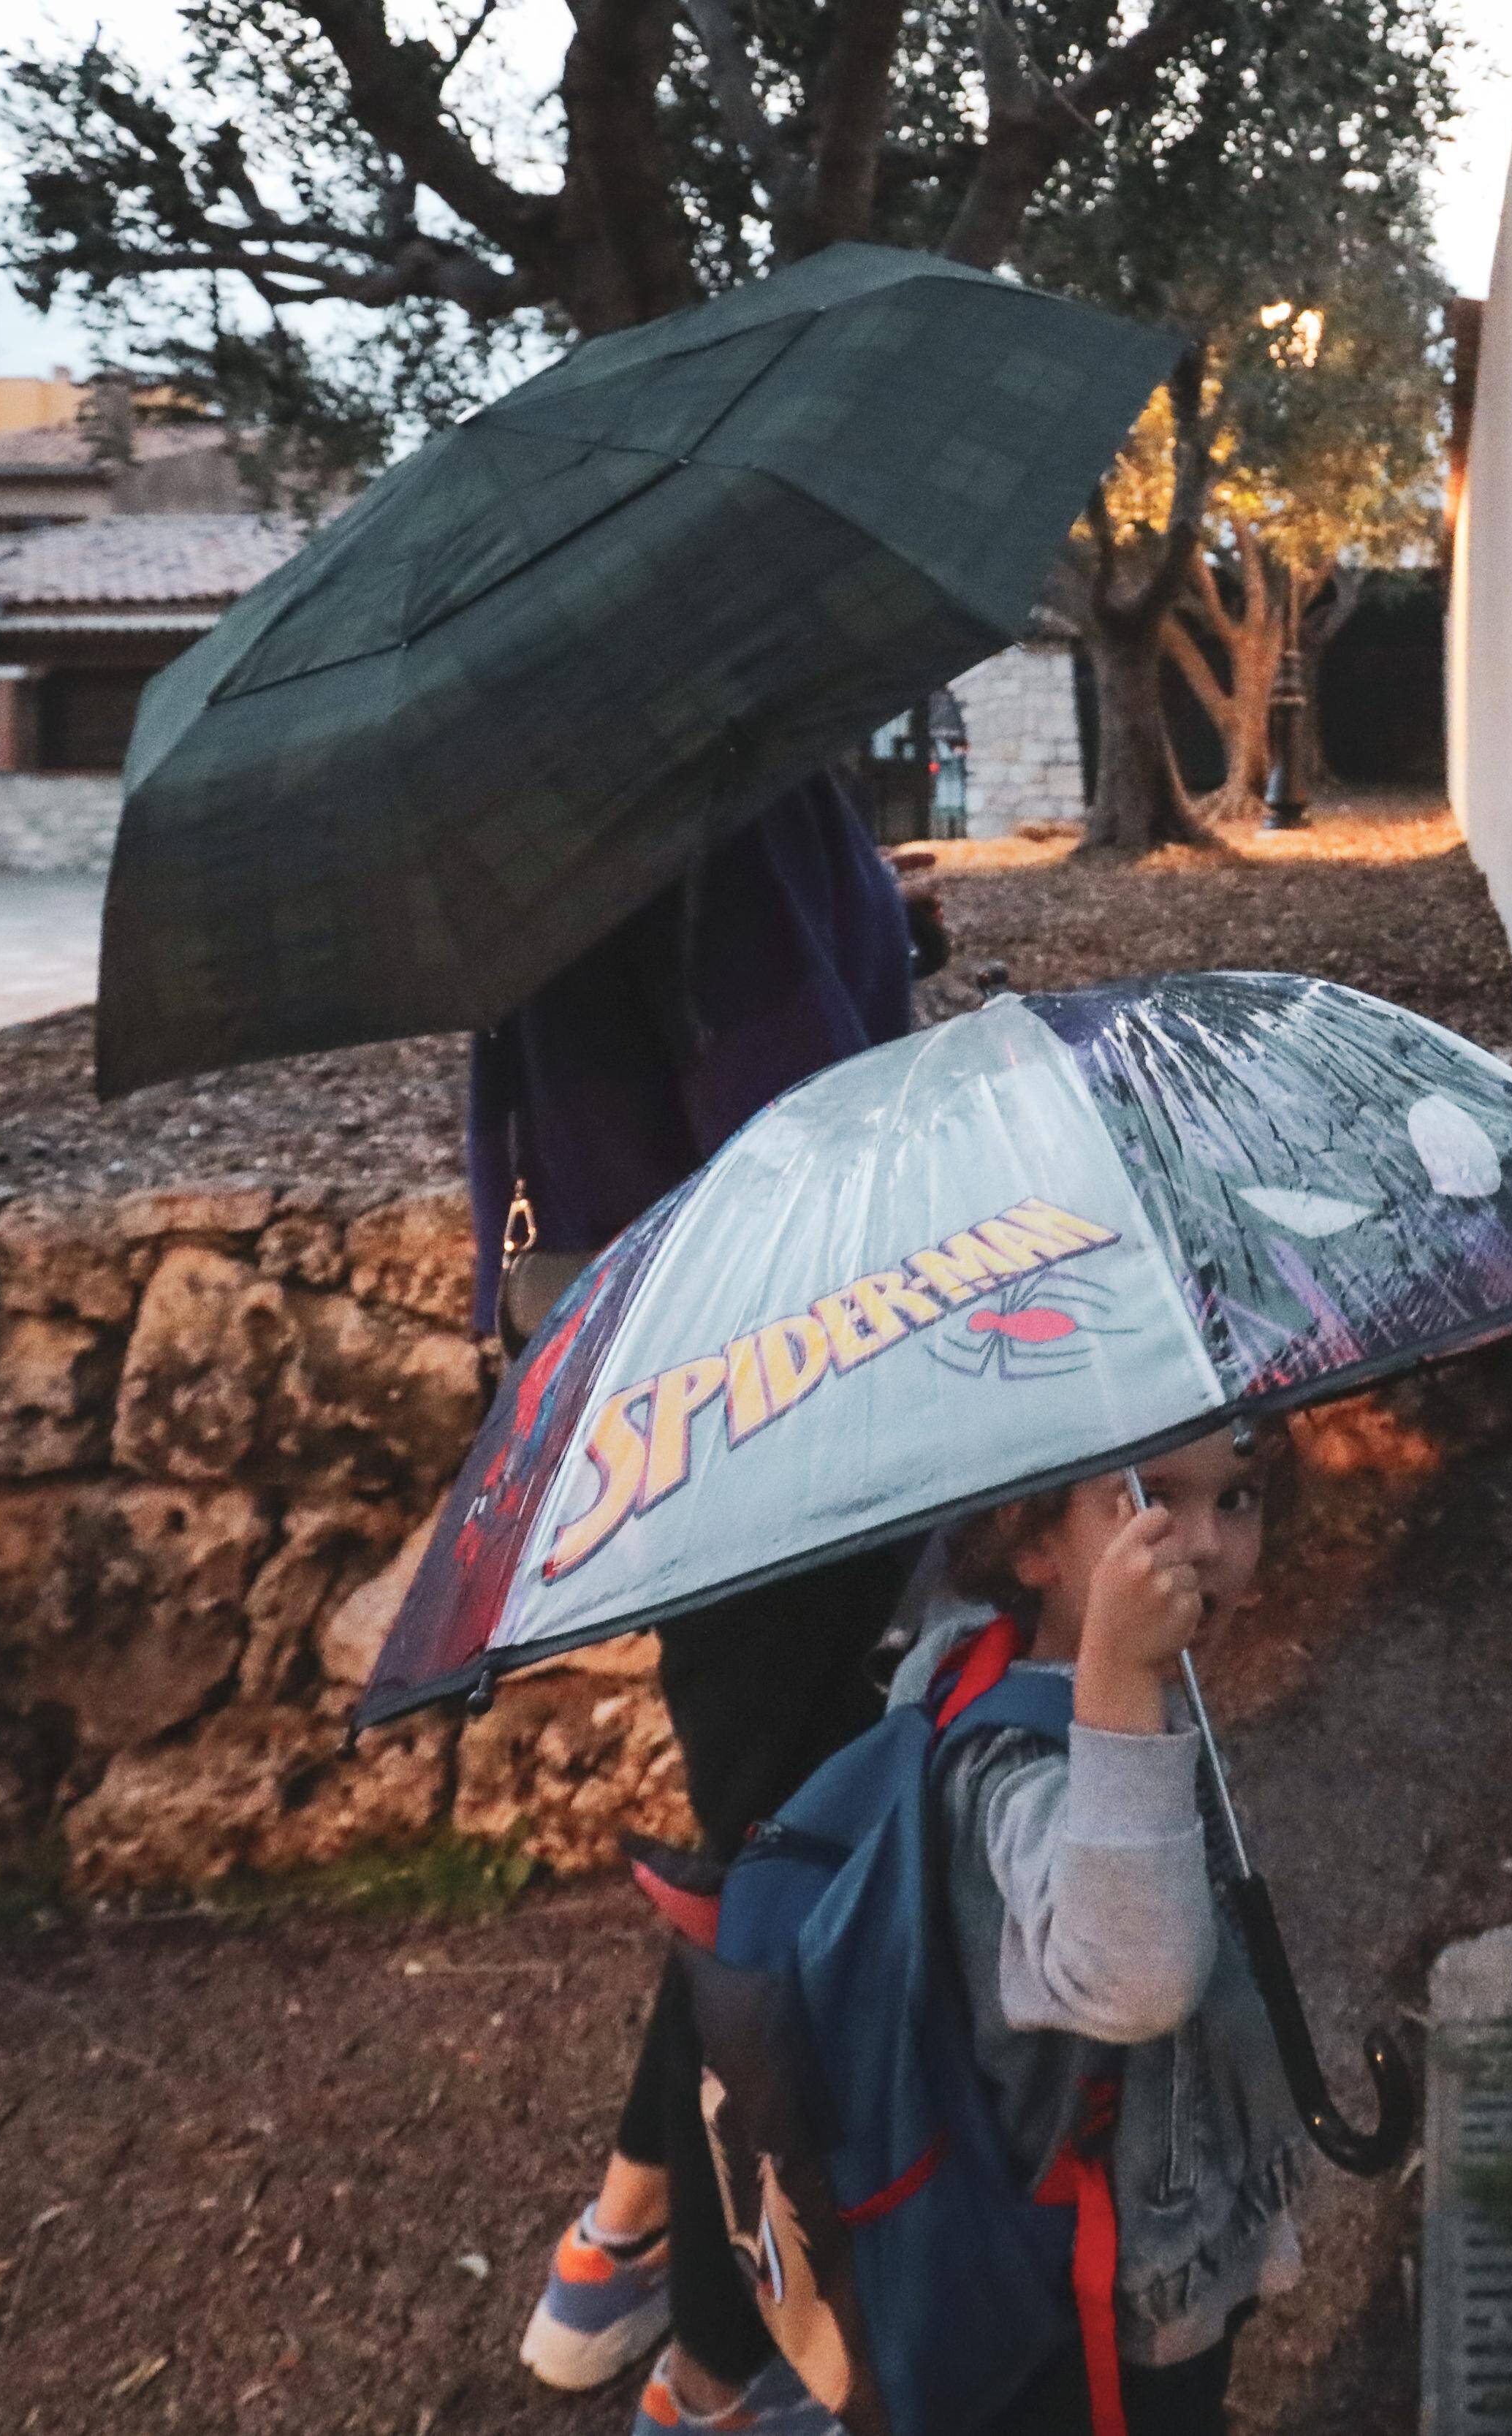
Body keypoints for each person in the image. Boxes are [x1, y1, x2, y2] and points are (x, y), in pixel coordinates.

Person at [493, 773, 940, 2434]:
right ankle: (718, 2361)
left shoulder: (547, 823)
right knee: (777, 1855)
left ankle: (617, 2239)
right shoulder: (713, 797)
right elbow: (807, 1116)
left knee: (770, 1813)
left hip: (639, 1374)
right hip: (770, 1379)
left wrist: (879, 930)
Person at [877, 1433, 1312, 2436]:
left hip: (1144, 2236)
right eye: (1151, 1495)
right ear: (1030, 1539)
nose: (1205, 1540)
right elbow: (1138, 1977)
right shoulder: (1019, 1767)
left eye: (1238, 1496)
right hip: (1096, 2287)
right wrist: (1117, 1679)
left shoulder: (1048, 1666)